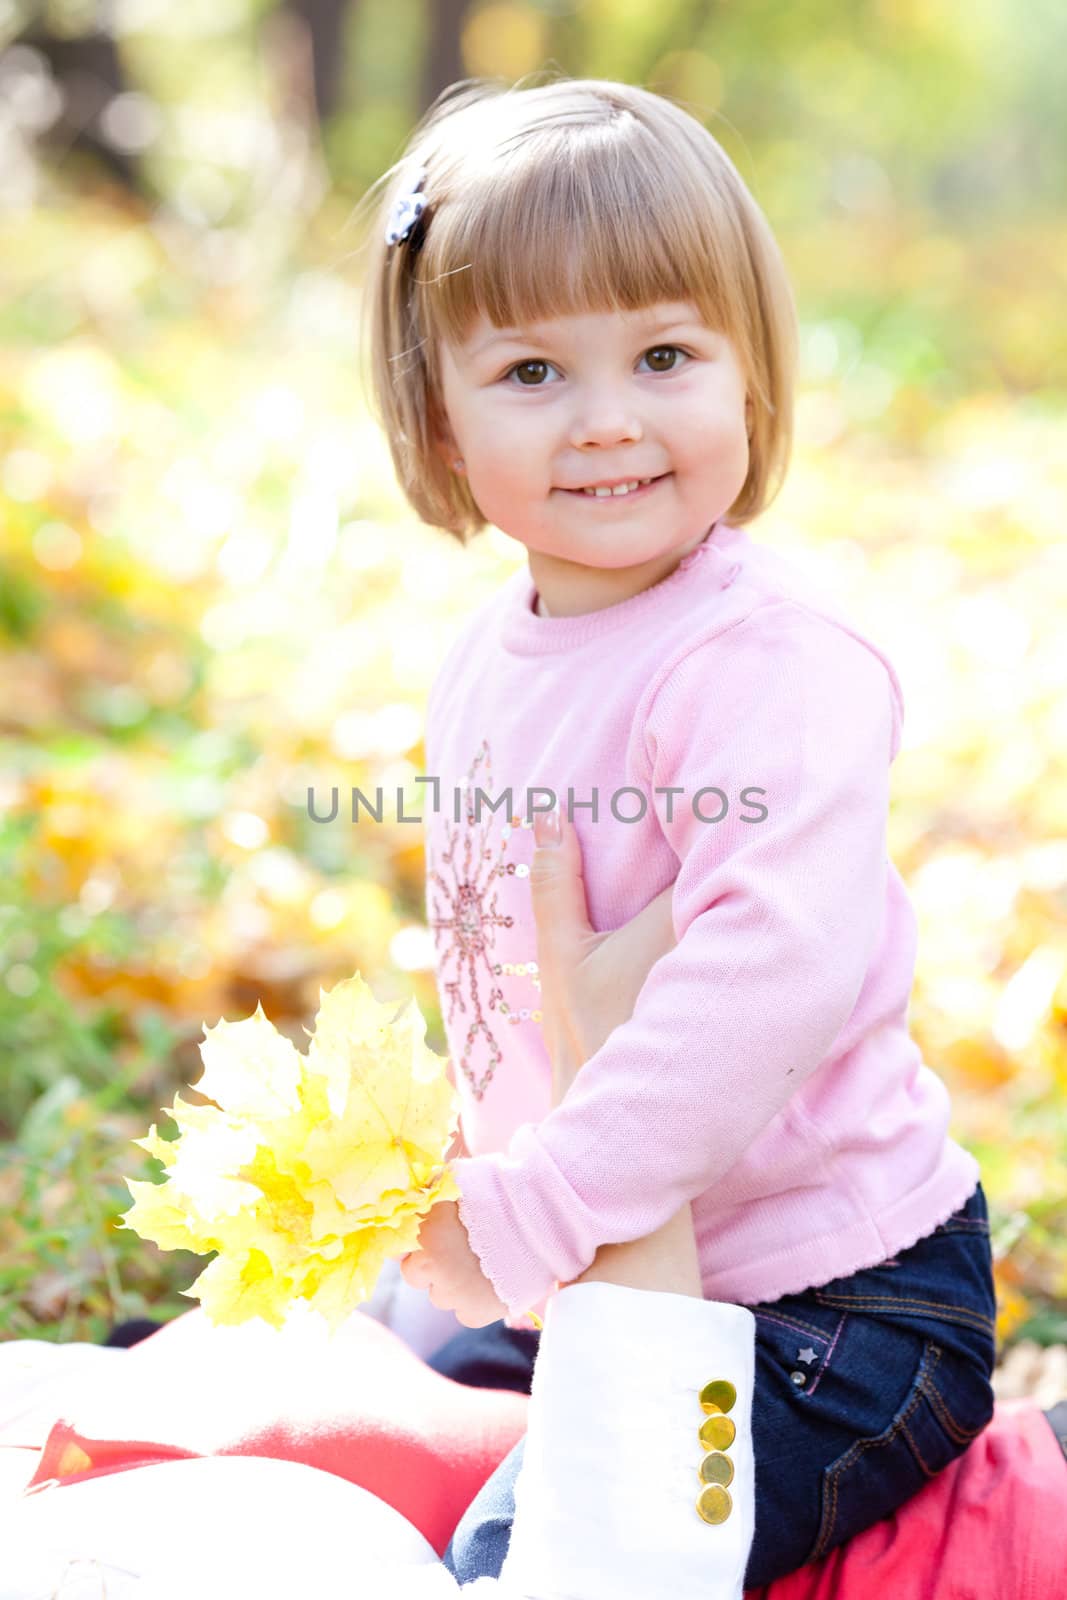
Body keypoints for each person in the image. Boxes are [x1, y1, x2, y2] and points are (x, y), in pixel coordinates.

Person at [355, 73, 999, 1588]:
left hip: (830, 1309)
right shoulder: (488, 657)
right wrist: (473, 1186)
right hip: (610, 1257)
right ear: (438, 421)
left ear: (751, 378)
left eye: (662, 355)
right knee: (397, 1364)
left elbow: (763, 983)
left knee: (557, 1553)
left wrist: (536, 1211)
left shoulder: (771, 669)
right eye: (530, 372)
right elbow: (510, 960)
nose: (608, 425)